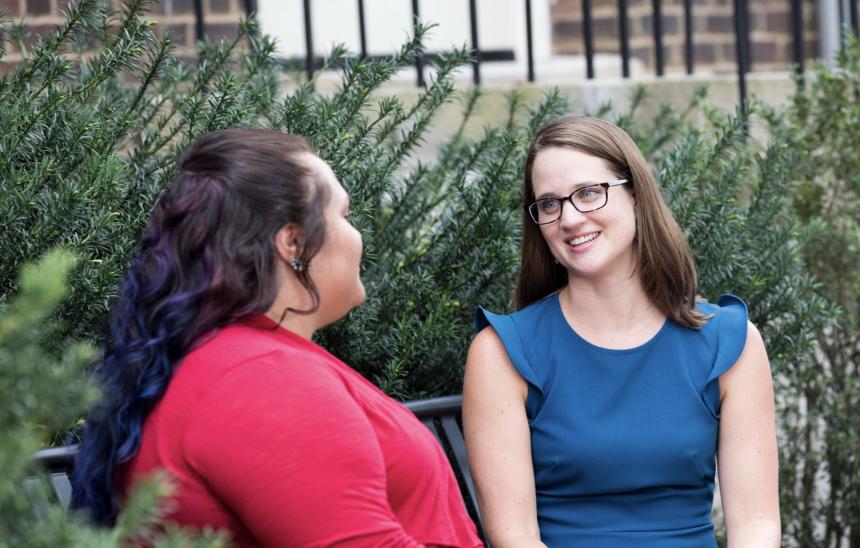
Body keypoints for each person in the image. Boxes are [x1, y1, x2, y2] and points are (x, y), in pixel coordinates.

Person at [70, 128, 483, 547]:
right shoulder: (261, 380)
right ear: (293, 242)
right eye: (344, 215)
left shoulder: (240, 363)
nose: (357, 236)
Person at [463, 116, 780, 547]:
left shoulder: (730, 343)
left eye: (589, 193)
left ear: (636, 196)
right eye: (550, 204)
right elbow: (515, 538)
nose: (570, 218)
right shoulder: (502, 353)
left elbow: (756, 525)